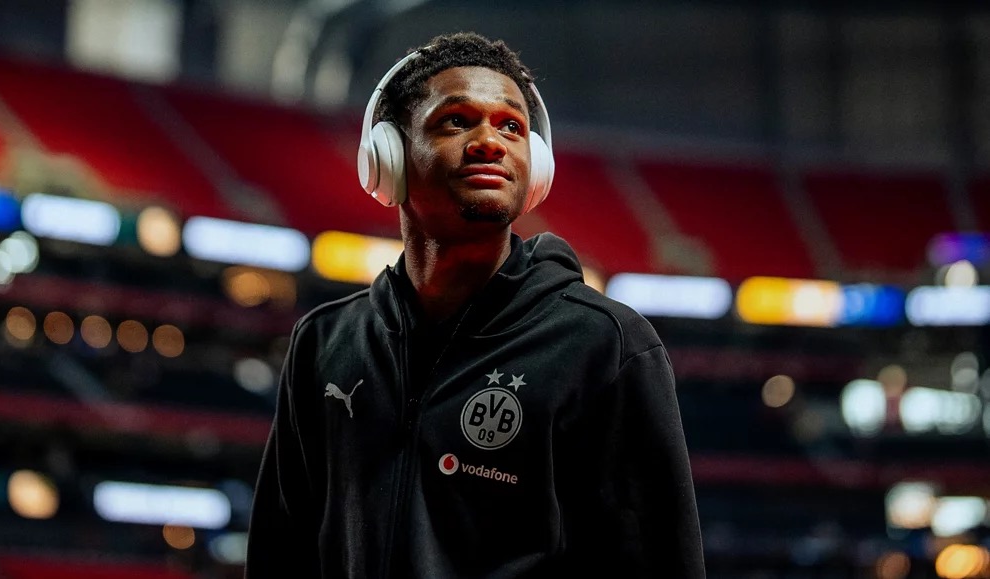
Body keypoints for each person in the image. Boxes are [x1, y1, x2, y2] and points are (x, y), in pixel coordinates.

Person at [245, 31, 705, 578]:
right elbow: (280, 555)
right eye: (456, 121)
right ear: (388, 156)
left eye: (512, 127)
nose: (491, 142)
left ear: (536, 167)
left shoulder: (607, 345)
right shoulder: (323, 342)